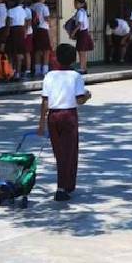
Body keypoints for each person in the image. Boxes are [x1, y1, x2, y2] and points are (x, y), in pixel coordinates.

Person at [38, 44, 91, 202]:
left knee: (59, 151)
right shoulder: (75, 76)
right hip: (69, 115)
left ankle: (66, 184)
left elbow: (45, 101)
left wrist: (41, 122)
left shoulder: (49, 76)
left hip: (53, 116)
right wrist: (88, 96)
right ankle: (62, 187)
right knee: (69, 151)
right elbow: (79, 100)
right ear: (73, 59)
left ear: (57, 58)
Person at [31, 0, 52, 78]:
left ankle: (37, 70)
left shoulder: (31, 6)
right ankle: (45, 70)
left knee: (37, 50)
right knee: (46, 50)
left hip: (34, 30)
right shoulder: (44, 7)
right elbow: (47, 18)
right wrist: (50, 24)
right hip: (43, 29)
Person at [71, 0, 94, 73]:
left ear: (82, 4)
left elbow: (80, 24)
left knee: (81, 51)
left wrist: (73, 32)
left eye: (76, 3)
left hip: (82, 33)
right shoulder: (82, 11)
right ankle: (84, 67)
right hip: (83, 32)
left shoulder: (80, 12)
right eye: (74, 3)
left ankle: (82, 67)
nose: (75, 4)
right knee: (82, 51)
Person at [6, 0, 27, 79]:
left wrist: (6, 33)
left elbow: (8, 23)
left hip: (13, 31)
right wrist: (25, 32)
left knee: (11, 53)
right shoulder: (22, 10)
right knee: (19, 53)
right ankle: (18, 72)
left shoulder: (10, 11)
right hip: (21, 31)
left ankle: (11, 72)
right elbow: (25, 22)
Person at [23, 0, 34, 79]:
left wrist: (25, 33)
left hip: (27, 33)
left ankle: (28, 70)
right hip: (24, 32)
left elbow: (28, 22)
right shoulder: (25, 10)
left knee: (27, 52)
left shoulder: (27, 10)